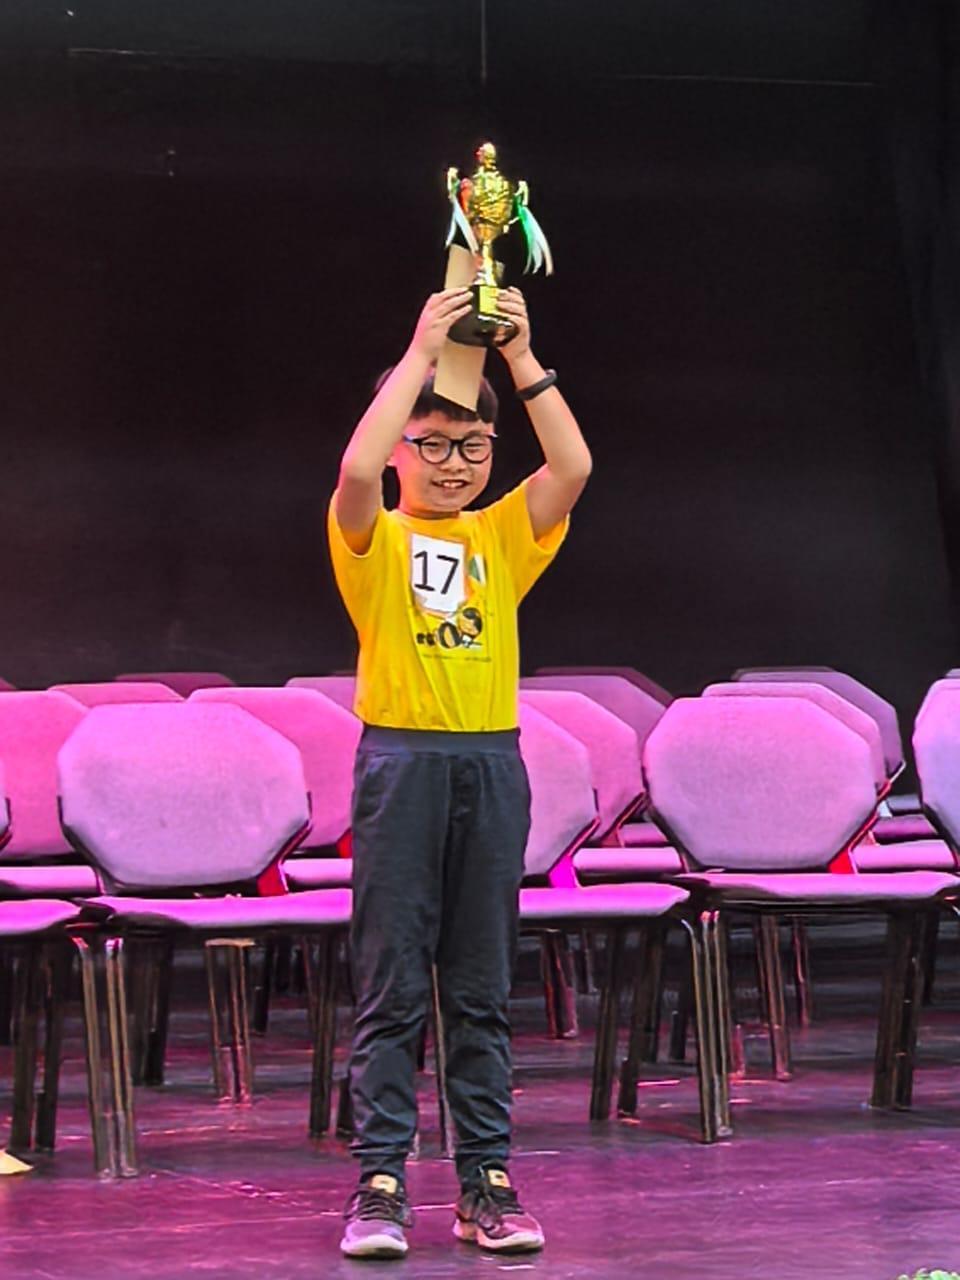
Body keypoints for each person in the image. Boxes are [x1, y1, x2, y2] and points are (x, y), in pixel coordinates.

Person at [328, 284, 591, 1259]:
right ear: (405, 449)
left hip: (490, 761)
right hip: (402, 762)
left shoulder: (501, 533)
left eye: (472, 447)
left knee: (479, 983)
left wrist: (519, 358)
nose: (452, 463)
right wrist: (419, 353)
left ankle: (487, 1179)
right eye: (432, 445)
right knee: (394, 981)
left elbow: (574, 464)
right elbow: (358, 468)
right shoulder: (376, 535)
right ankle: (381, 1180)